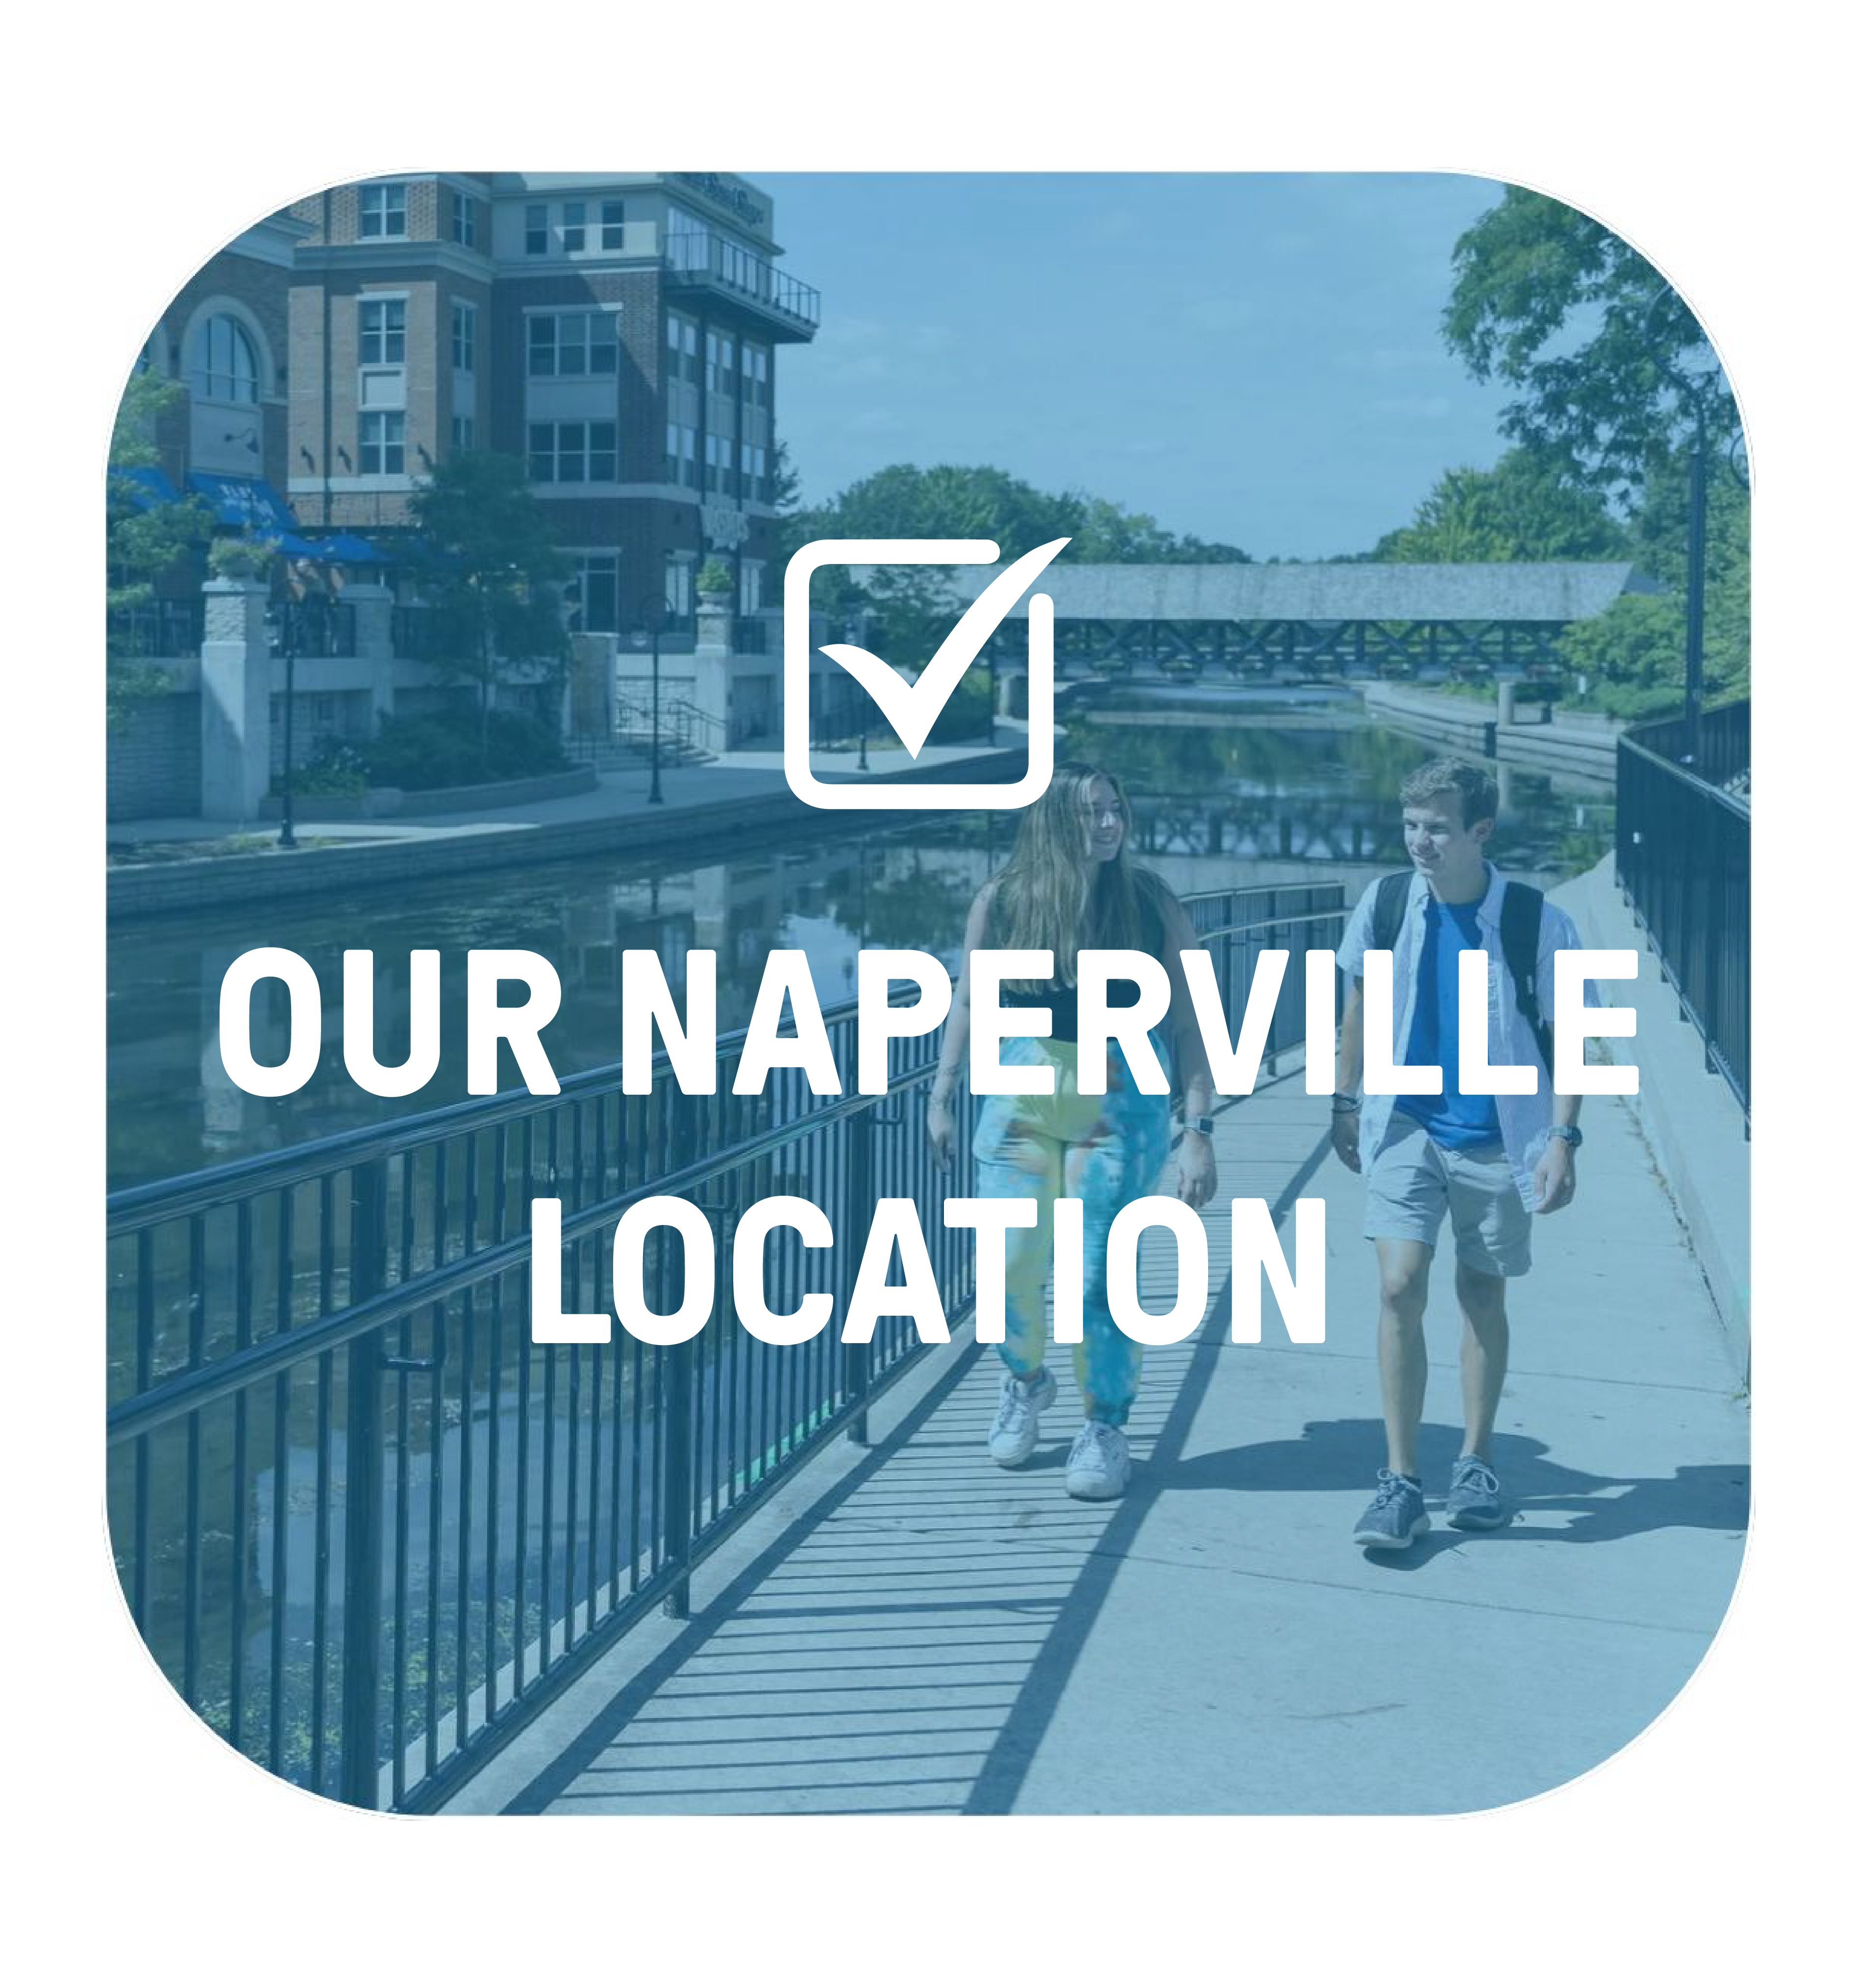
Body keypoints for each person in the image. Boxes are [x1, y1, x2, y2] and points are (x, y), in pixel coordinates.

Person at [928, 763, 1218, 1500]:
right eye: (1093, 814)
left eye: (1116, 810)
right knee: (1005, 1268)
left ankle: (1105, 1425)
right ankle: (1024, 1382)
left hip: (1121, 1107)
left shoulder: (1150, 904)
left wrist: (1198, 1128)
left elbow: (1190, 1020)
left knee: (1098, 1278)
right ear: (1058, 823)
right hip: (1022, 1097)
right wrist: (942, 1092)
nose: (1111, 825)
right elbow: (967, 999)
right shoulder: (1005, 901)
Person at [1333, 755, 1590, 1548]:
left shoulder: (1536, 921)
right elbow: (1360, 1000)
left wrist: (1564, 1139)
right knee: (1398, 1287)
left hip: (1499, 1136)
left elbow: (1575, 1038)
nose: (1420, 841)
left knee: (1481, 1295)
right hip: (1406, 1124)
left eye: (1438, 828)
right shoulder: (1383, 905)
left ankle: (1475, 1461)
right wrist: (1344, 1099)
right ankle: (1401, 1479)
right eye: (1411, 825)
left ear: (1480, 830)